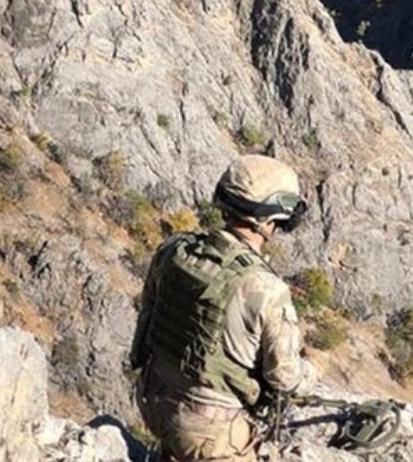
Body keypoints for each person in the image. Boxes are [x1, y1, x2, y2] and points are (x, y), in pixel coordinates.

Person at [130, 155, 320, 461]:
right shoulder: (265, 288)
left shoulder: (175, 249)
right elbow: (284, 378)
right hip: (208, 432)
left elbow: (148, 320)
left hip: (153, 402)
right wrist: (313, 370)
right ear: (269, 219)